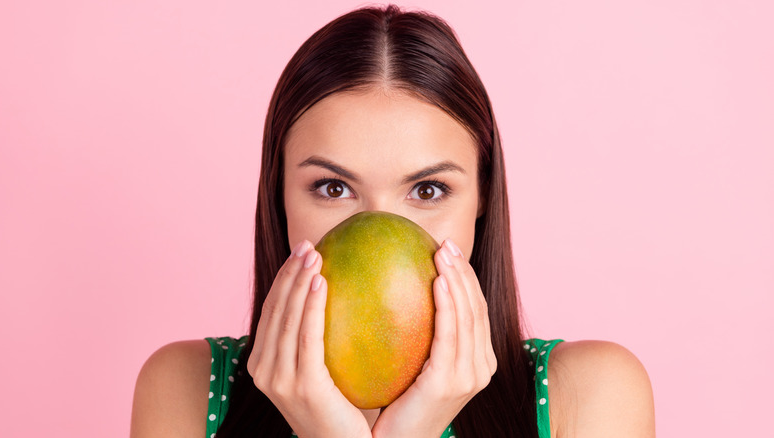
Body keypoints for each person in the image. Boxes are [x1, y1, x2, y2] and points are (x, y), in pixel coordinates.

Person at [130, 4, 655, 437]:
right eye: (333, 188)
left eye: (428, 190)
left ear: (482, 198)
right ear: (279, 197)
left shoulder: (587, 397)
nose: (378, 229)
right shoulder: (187, 391)